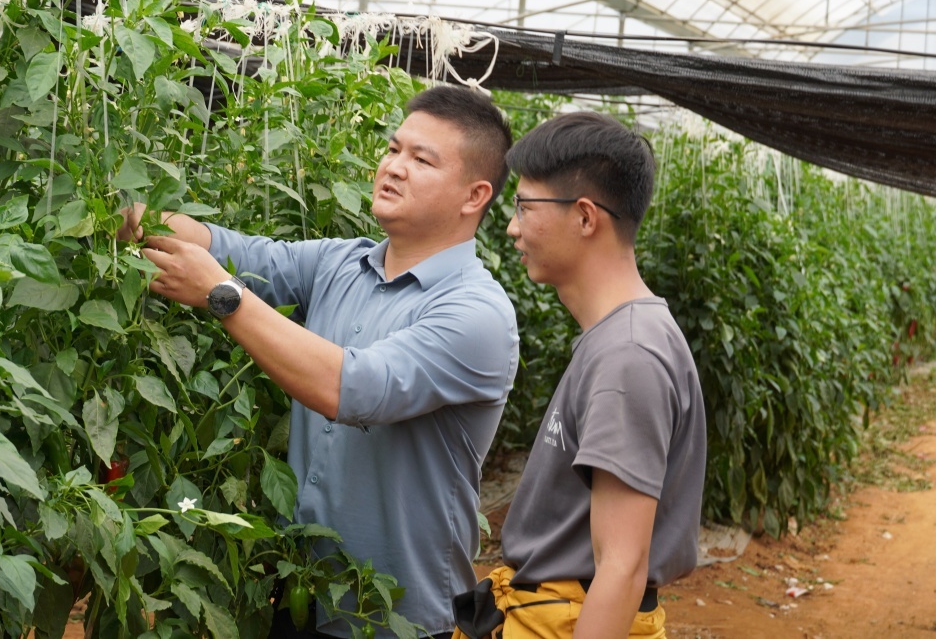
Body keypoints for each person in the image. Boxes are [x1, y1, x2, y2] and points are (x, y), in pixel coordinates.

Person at [116, 86, 519, 638]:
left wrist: (222, 294)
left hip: (394, 619)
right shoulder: (340, 264)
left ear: (474, 196)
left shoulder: (477, 313)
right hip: (300, 592)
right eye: (394, 149)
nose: (394, 167)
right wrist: (134, 216)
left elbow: (353, 388)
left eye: (422, 160)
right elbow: (227, 247)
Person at [452, 112, 706, 639]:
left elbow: (621, 567)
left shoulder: (628, 355)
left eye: (525, 206)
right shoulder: (618, 338)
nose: (512, 226)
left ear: (586, 217)